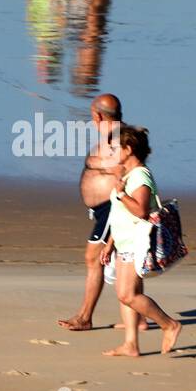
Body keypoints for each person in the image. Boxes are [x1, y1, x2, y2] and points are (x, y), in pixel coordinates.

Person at [99, 125, 181, 357]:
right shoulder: (127, 175)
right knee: (124, 295)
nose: (112, 152)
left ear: (128, 149)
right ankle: (130, 344)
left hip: (138, 243)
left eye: (115, 148)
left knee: (128, 295)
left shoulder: (140, 176)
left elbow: (141, 211)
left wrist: (122, 194)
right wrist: (111, 242)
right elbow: (120, 214)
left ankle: (169, 324)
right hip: (124, 242)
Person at [57, 93, 130, 332]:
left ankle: (85, 316)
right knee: (120, 262)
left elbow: (132, 175)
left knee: (93, 258)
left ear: (97, 115)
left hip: (112, 209)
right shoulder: (114, 137)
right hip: (103, 210)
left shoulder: (121, 141)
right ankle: (136, 319)